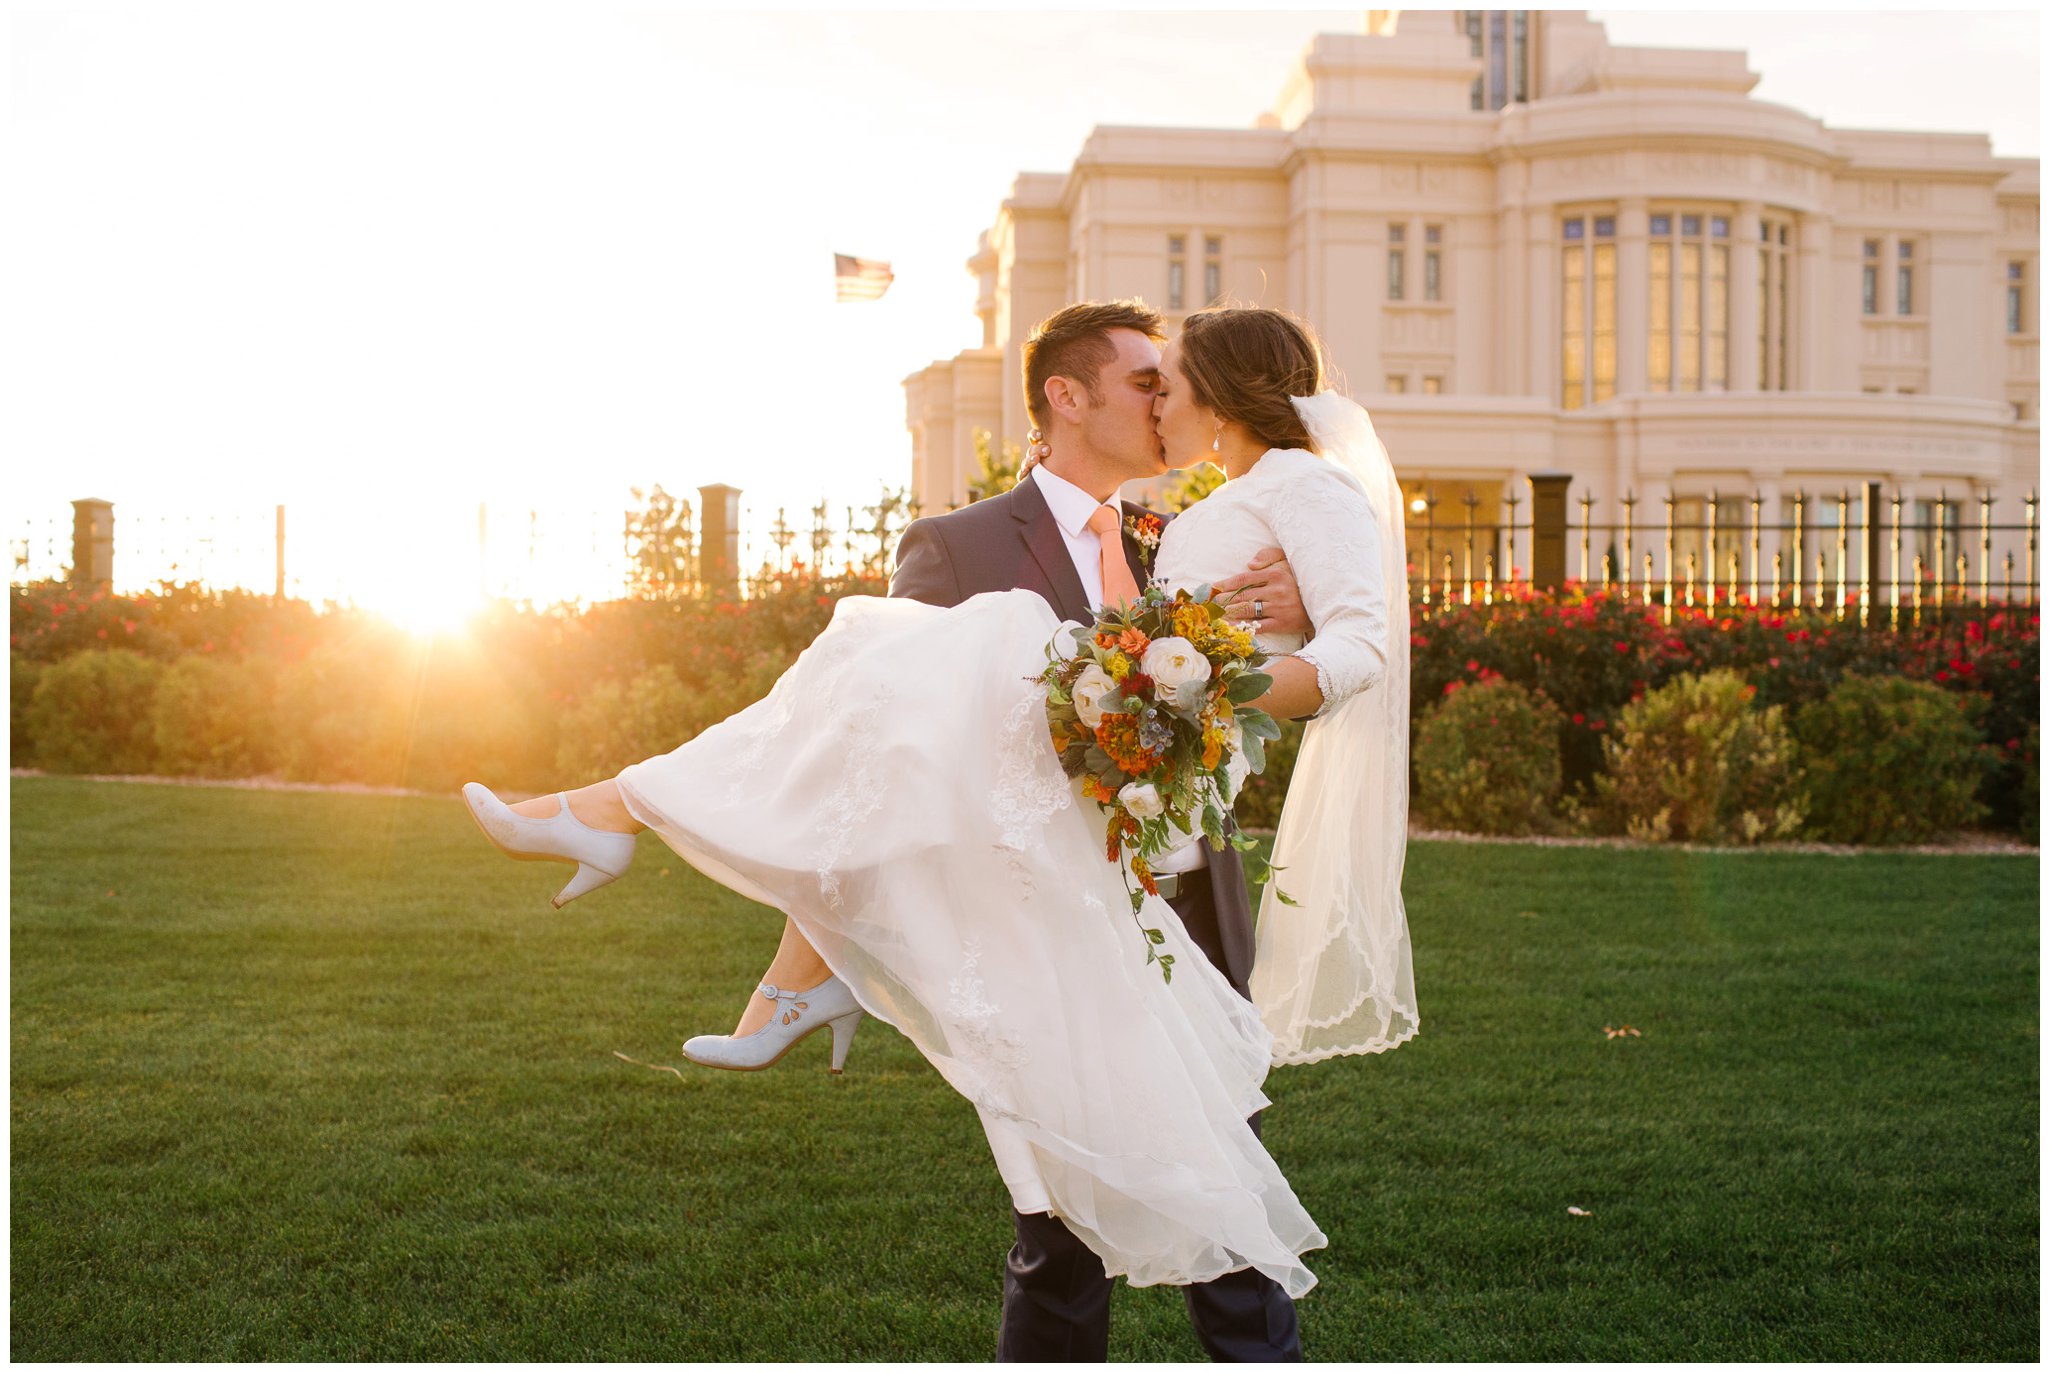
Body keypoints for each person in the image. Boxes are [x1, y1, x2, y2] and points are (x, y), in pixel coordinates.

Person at [461, 303, 1417, 1349]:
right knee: (1056, 1221)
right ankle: (666, 844)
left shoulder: (1196, 522)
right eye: (1143, 380)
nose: (1160, 401)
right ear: (1066, 394)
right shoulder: (968, 543)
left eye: (1169, 380)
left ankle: (628, 818)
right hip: (1045, 901)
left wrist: (1247, 637)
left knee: (1220, 1199)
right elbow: (884, 768)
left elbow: (1284, 648)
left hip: (1176, 891)